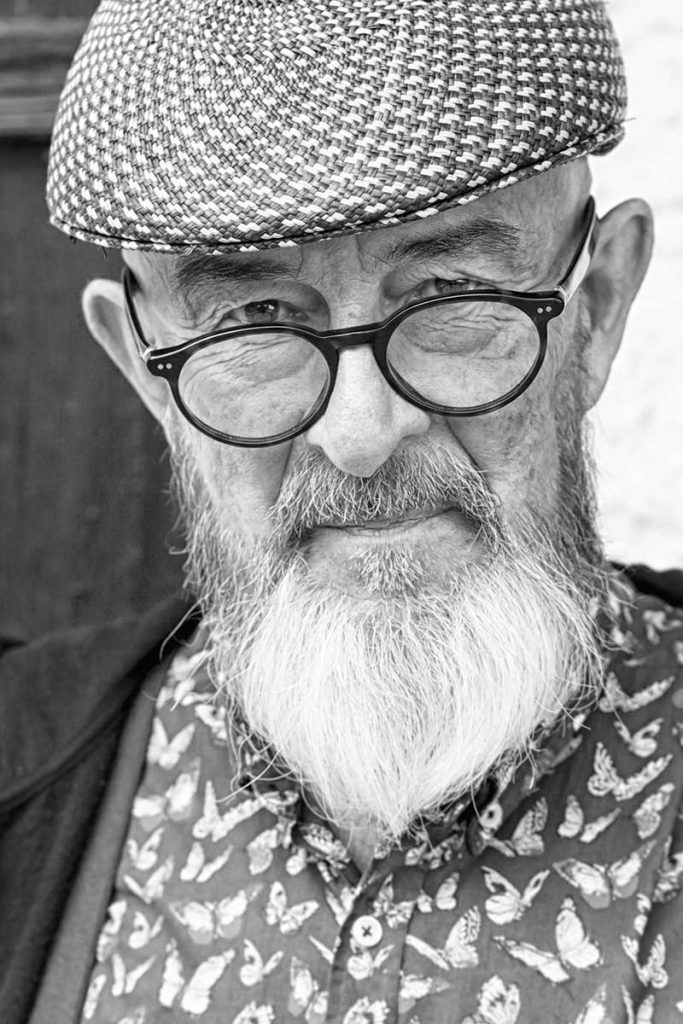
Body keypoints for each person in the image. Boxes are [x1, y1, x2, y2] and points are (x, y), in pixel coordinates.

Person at [2, 0, 682, 1020]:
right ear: (146, 371)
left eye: (447, 294)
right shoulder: (21, 783)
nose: (360, 434)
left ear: (597, 308)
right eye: (256, 319)